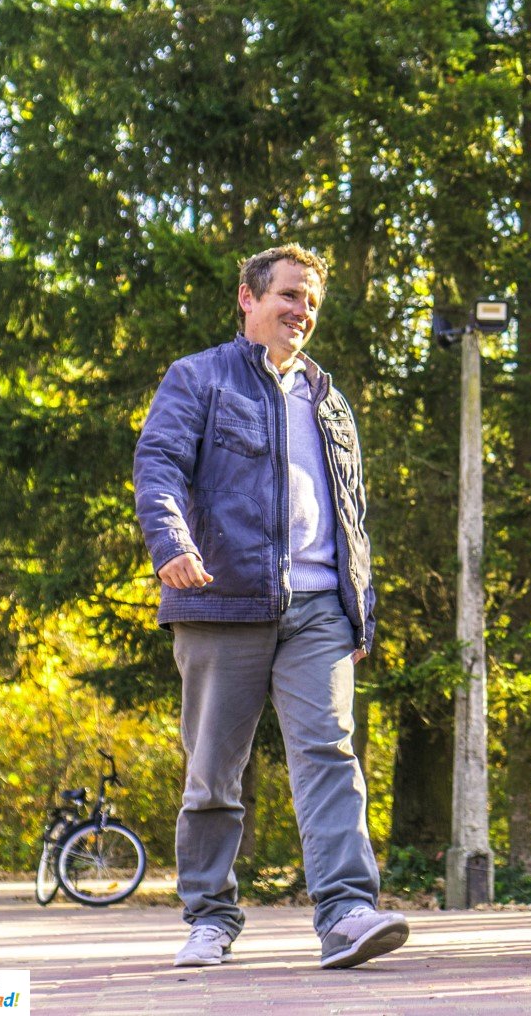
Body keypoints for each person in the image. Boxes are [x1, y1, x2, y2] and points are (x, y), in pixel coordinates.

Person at [133, 245, 408, 970]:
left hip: (318, 608)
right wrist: (170, 544)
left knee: (328, 754)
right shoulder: (199, 378)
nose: (302, 311)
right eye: (289, 295)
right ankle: (210, 917)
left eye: (311, 301)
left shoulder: (328, 397)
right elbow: (158, 463)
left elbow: (351, 511)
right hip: (220, 598)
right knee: (215, 770)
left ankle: (346, 912)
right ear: (248, 300)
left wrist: (360, 610)